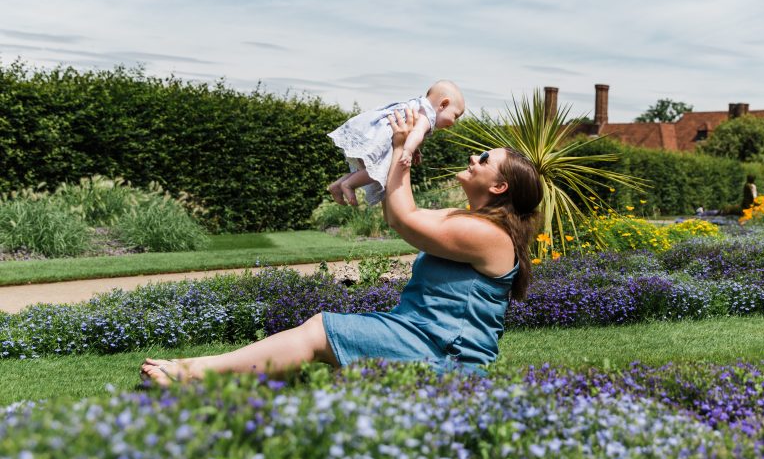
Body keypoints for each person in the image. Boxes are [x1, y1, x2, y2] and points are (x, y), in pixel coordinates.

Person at [141, 106, 542, 385]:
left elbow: (403, 219)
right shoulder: (468, 220)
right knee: (333, 372)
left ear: (498, 187)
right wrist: (379, 165)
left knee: (321, 331)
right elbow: (401, 209)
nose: (473, 157)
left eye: (484, 159)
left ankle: (194, 374)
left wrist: (400, 149)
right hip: (420, 335)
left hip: (446, 355)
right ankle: (207, 376)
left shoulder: (490, 236)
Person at [326, 80, 465, 206]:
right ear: (443, 104)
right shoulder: (428, 116)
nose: (454, 122)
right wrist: (408, 151)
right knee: (381, 171)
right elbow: (417, 133)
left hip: (373, 133)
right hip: (382, 139)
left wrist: (415, 149)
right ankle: (348, 185)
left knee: (369, 170)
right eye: (455, 116)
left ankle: (338, 185)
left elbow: (412, 133)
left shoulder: (419, 105)